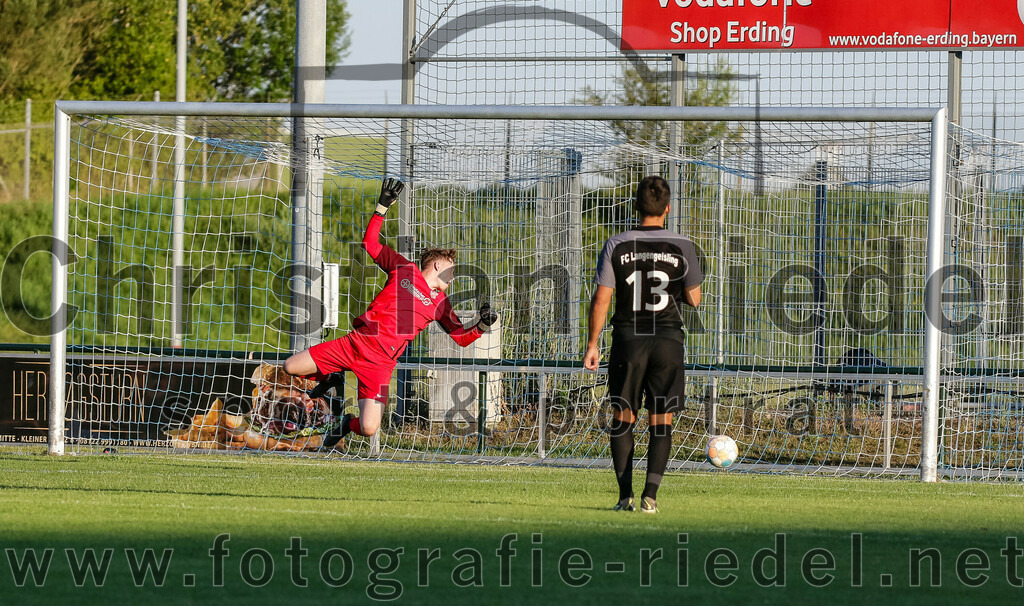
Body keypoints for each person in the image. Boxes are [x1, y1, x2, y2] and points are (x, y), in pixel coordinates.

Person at [284, 178, 497, 448]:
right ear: (436, 265)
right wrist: (382, 207)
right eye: (451, 270)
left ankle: (344, 423)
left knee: (368, 427)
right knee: (290, 366)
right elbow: (371, 244)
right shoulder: (403, 268)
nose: (453, 277)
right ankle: (333, 375)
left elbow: (460, 337)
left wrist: (482, 324)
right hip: (356, 344)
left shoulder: (441, 303)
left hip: (381, 365)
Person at [583, 175, 703, 514]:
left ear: (637, 208)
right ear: (667, 208)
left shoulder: (617, 244)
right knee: (661, 419)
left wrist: (593, 343)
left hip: (628, 341)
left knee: (623, 416)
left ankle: (625, 498)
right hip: (667, 340)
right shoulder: (683, 245)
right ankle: (651, 496)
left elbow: (601, 299)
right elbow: (694, 299)